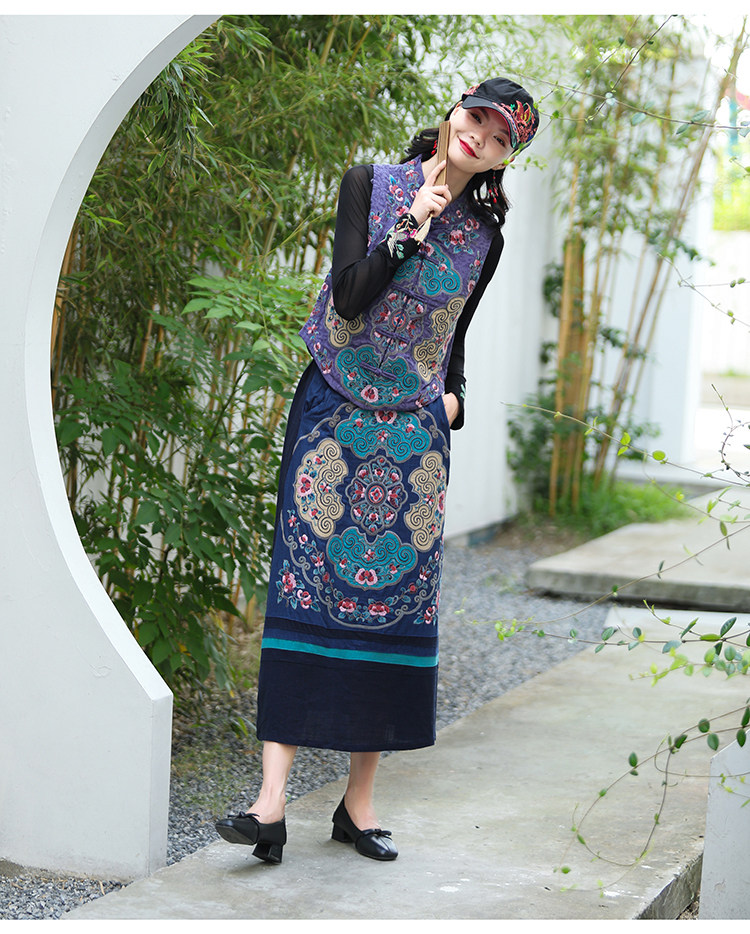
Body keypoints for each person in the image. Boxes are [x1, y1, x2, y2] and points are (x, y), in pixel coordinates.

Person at [215, 76, 540, 864]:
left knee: (389, 606)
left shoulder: (487, 239)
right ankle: (269, 804)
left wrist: (455, 399)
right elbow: (351, 296)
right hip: (332, 413)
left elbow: (456, 331)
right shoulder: (371, 184)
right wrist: (410, 225)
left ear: (507, 157)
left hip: (413, 438)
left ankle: (358, 806)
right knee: (303, 589)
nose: (481, 137)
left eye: (501, 138)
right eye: (477, 118)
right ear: (454, 111)